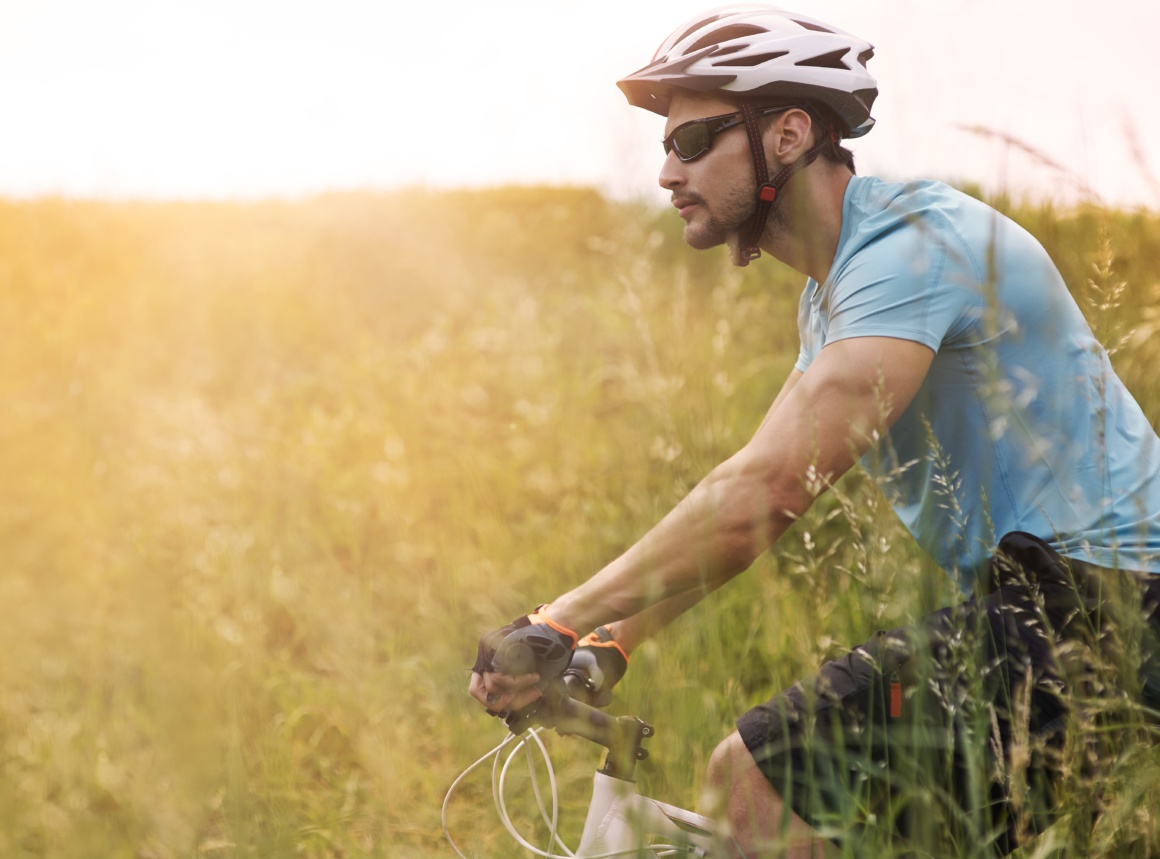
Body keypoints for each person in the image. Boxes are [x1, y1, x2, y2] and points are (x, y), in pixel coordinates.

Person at [468, 6, 1160, 856]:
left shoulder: (911, 247)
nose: (664, 173)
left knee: (759, 775)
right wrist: (615, 639)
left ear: (789, 133)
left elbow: (768, 489)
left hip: (1102, 609)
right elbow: (754, 501)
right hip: (1055, 611)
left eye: (691, 142)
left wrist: (559, 621)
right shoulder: (835, 292)